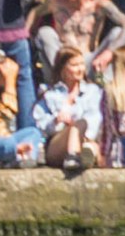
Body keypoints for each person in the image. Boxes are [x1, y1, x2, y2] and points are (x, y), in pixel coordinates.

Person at [28, 44, 108, 176]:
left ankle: (81, 156)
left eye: (82, 64)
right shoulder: (49, 94)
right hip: (57, 143)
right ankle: (74, 155)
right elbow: (40, 125)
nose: (80, 69)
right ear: (63, 69)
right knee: (75, 127)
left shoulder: (93, 91)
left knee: (84, 133)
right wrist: (56, 121)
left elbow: (95, 118)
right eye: (74, 65)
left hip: (85, 139)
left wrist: (80, 130)